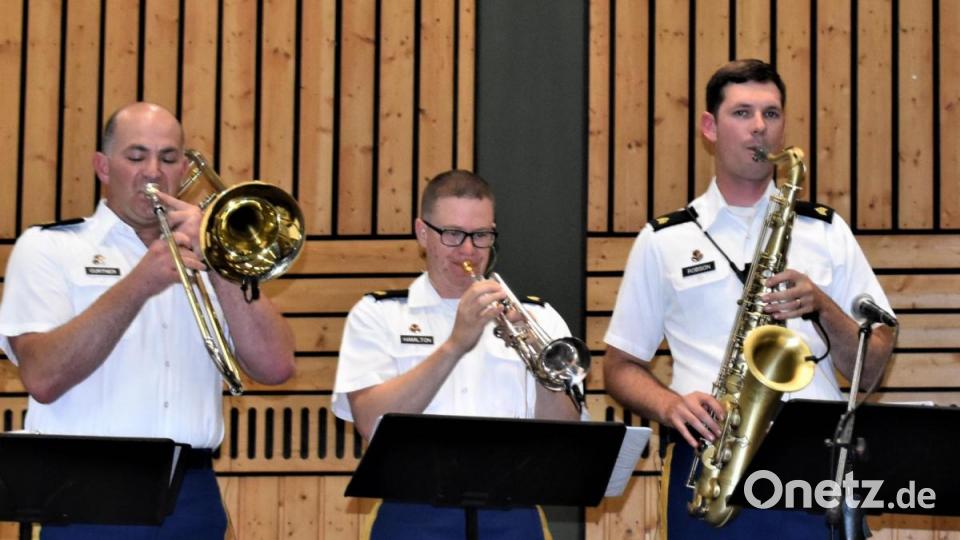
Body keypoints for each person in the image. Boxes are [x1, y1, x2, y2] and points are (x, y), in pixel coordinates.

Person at [603, 59, 895, 538]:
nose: (760, 128)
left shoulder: (826, 230)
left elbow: (875, 359)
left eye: (771, 114)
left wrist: (822, 304)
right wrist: (670, 405)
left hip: (815, 467)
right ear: (709, 127)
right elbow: (618, 366)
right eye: (742, 113)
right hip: (713, 465)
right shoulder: (663, 240)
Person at [0, 102, 296, 539]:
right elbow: (42, 377)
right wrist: (142, 280)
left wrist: (220, 264)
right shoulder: (49, 248)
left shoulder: (212, 255)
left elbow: (276, 367)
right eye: (136, 157)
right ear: (103, 166)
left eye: (169, 157)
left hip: (192, 492)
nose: (153, 171)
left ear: (184, 168)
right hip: (87, 493)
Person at [332, 169, 584, 539]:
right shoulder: (378, 314)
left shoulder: (538, 317)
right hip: (412, 512)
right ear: (422, 232)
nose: (468, 250)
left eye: (481, 235)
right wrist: (454, 345)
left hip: (513, 513)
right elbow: (371, 421)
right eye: (452, 234)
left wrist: (537, 360)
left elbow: (566, 436)